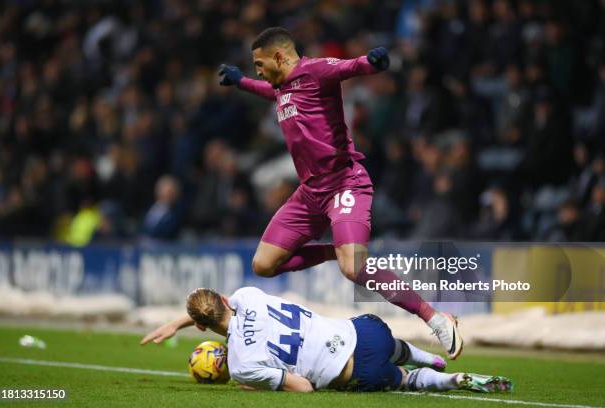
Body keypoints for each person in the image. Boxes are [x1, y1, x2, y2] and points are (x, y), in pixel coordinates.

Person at [218, 27, 463, 358]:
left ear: (279, 56)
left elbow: (350, 67)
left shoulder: (316, 71)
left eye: (259, 64)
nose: (258, 71)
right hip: (309, 192)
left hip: (344, 182)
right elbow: (268, 90)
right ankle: (335, 250)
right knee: (264, 264)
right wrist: (241, 82)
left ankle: (435, 319)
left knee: (354, 268)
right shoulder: (282, 89)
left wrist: (372, 62)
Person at [140, 287, 513, 393]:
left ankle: (446, 381)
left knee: (401, 380)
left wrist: (255, 386)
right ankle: (432, 358)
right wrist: (180, 321)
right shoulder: (248, 294)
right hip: (365, 331)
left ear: (202, 328)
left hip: (358, 371)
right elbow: (219, 304)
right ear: (224, 299)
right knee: (394, 347)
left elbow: (302, 387)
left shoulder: (240, 366)